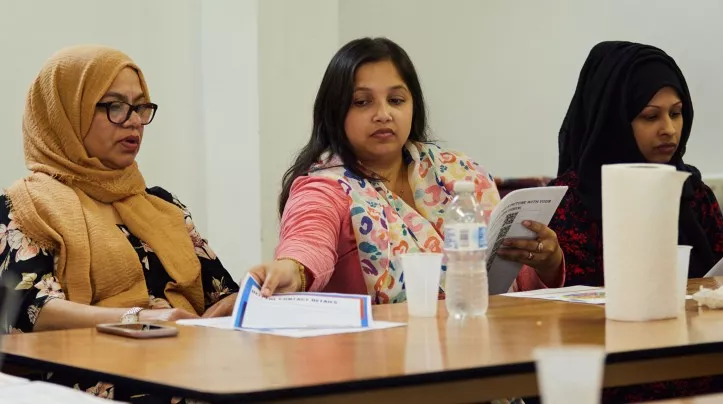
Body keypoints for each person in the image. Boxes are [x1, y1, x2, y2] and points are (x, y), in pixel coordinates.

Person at [0, 45, 238, 401]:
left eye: (141, 107)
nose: (134, 121)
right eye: (114, 106)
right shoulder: (24, 206)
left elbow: (222, 292)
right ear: (66, 112)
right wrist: (137, 319)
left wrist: (241, 303)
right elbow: (27, 308)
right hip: (94, 381)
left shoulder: (162, 206)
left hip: (189, 367)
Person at [249, 37, 565, 302]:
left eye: (396, 100)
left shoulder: (463, 174)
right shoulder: (324, 186)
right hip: (379, 358)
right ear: (335, 111)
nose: (383, 114)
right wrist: (293, 268)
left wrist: (548, 263)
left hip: (486, 341)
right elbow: (308, 240)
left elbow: (514, 282)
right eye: (362, 102)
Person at [548, 40, 723, 402]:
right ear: (613, 118)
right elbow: (571, 312)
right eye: (650, 116)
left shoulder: (693, 191)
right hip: (615, 371)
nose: (669, 130)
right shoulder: (570, 202)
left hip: (700, 357)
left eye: (676, 113)